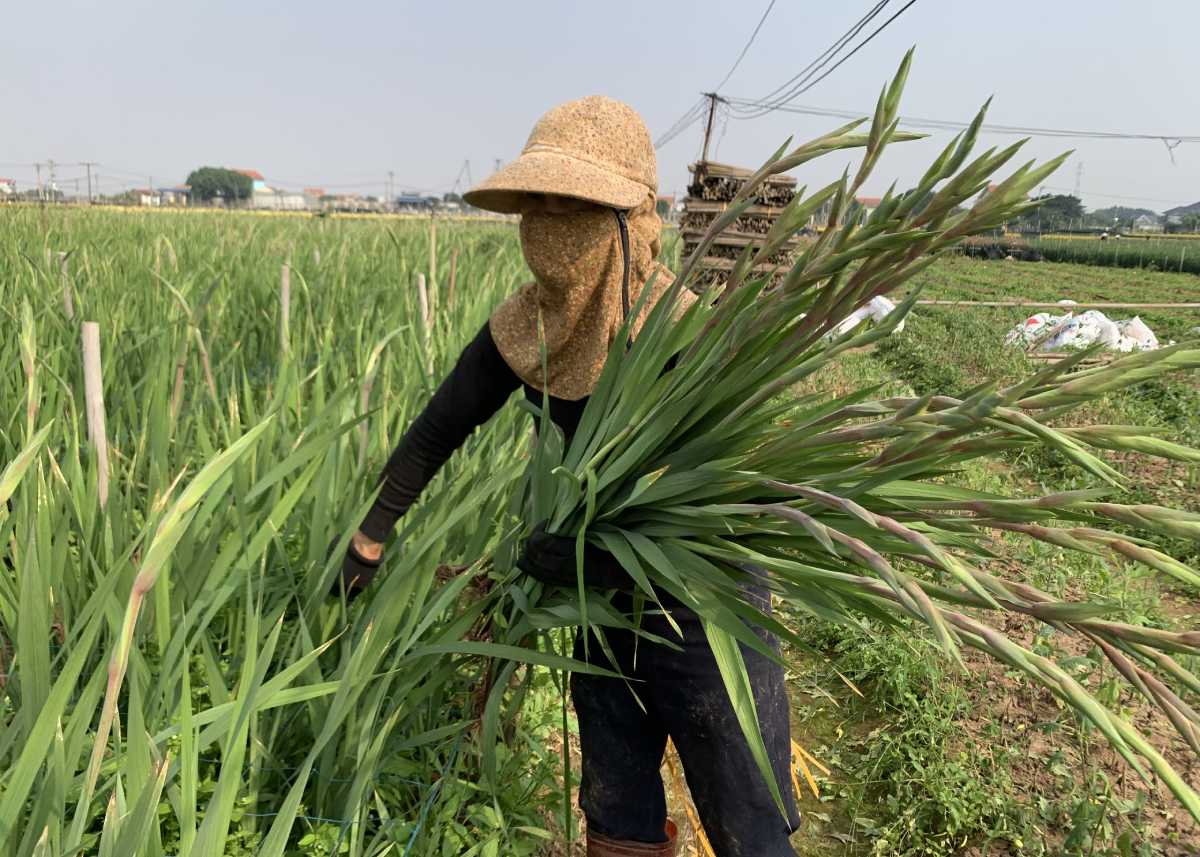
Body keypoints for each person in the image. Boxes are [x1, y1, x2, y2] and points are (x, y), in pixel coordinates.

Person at [338, 96, 800, 857]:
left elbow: (747, 494)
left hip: (705, 610)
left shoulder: (683, 334)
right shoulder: (526, 326)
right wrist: (368, 538)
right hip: (599, 611)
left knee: (746, 823)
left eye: (575, 204)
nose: (552, 226)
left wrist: (611, 553)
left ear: (628, 217)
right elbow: (437, 429)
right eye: (539, 202)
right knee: (616, 810)